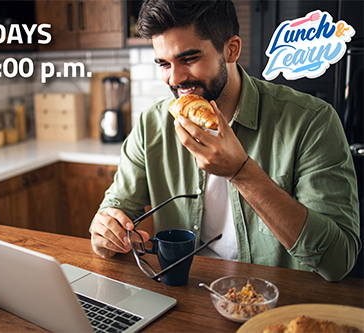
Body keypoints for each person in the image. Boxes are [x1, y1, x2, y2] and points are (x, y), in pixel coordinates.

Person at [90, 0, 361, 282]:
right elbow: (115, 211)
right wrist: (106, 233)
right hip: (185, 297)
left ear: (231, 49)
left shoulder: (310, 121)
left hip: (275, 308)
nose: (175, 78)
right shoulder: (152, 125)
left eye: (189, 59)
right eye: (163, 64)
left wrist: (241, 172)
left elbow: (338, 261)